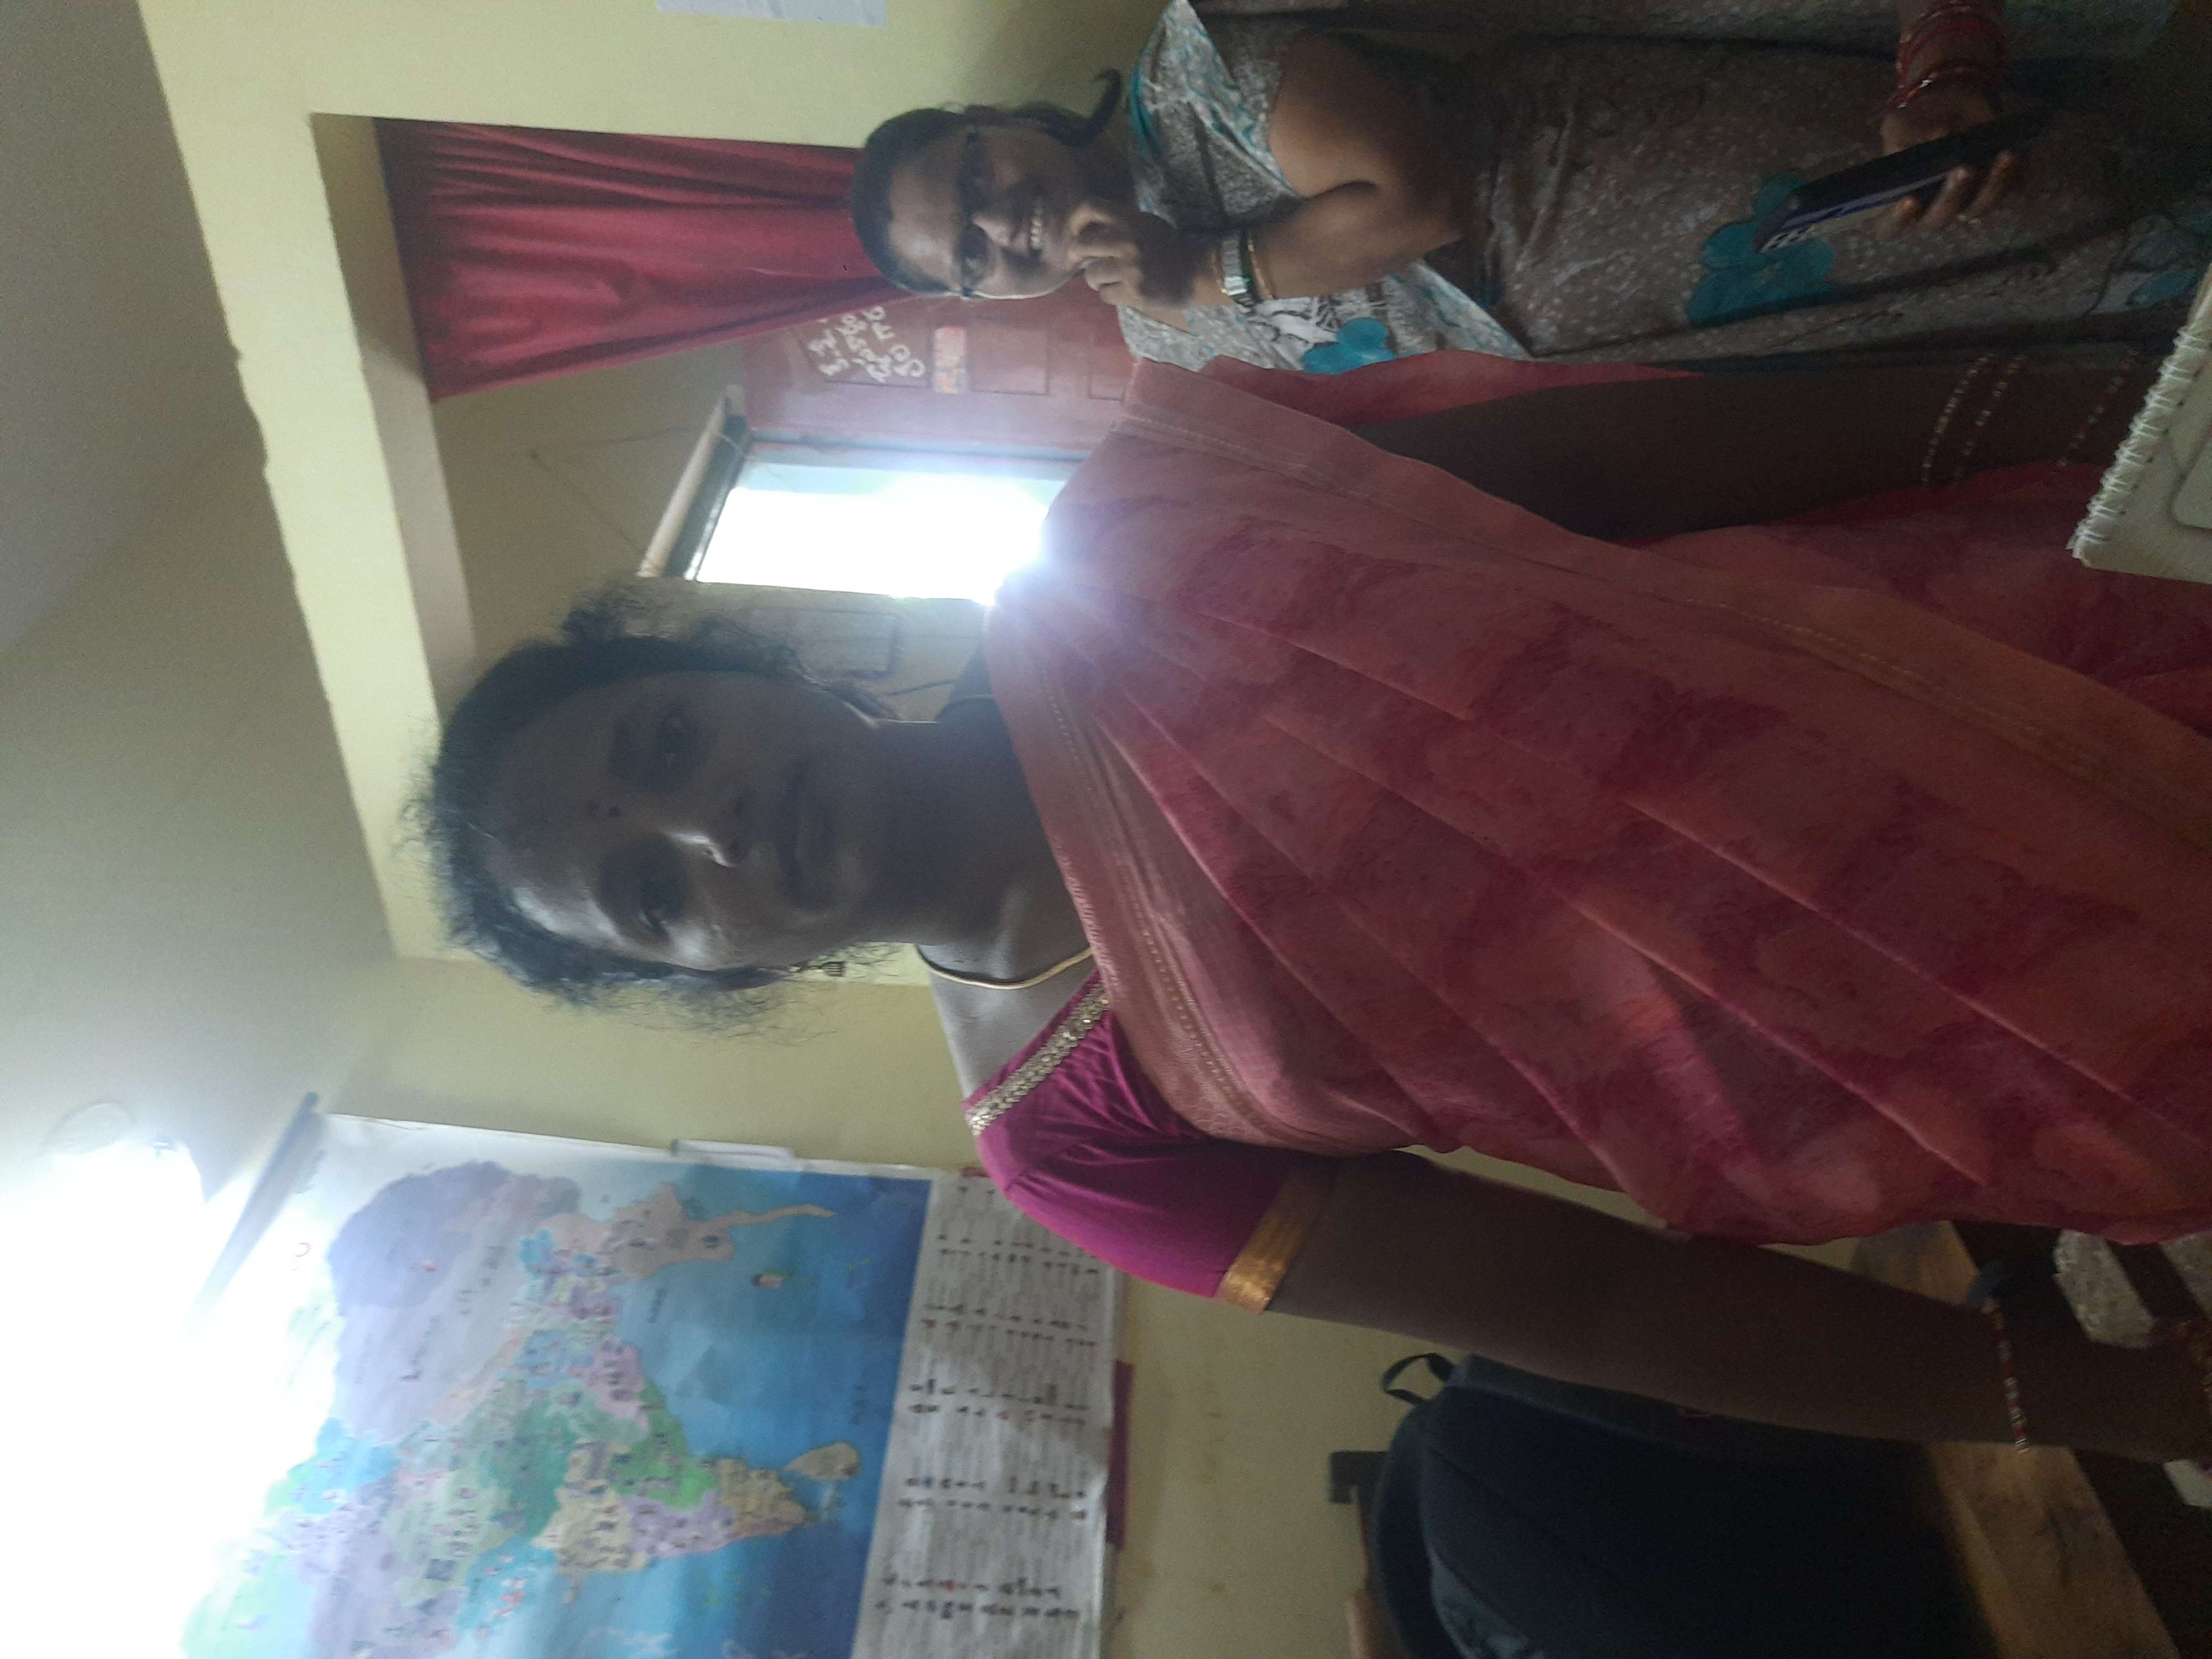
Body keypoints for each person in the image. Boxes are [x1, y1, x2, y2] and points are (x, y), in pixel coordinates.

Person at [425, 345, 2212, 1462]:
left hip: (2073, 641)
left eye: (670, 741)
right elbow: (1594, 1310)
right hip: (2044, 1063)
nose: (715, 824)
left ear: (747, 664)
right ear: (710, 975)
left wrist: (2120, 408)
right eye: (651, 894)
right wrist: (2129, 1404)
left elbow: (1640, 465)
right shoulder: (1076, 1139)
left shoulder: (1144, 544)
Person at [848, 0, 2211, 372]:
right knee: (2045, 317)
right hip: (1660, 348)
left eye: (971, 176)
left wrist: (1201, 269)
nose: (999, 222)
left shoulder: (1194, 72)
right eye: (967, 254)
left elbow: (1409, 204)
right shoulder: (1160, 344)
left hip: (1649, 169)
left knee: (2017, 188)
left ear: (990, 123)